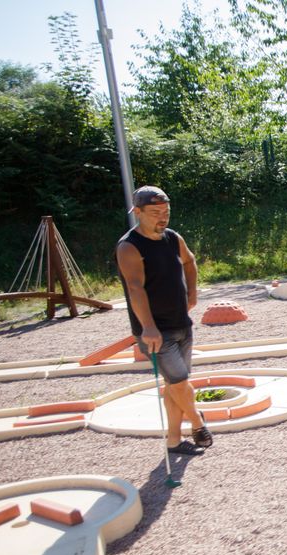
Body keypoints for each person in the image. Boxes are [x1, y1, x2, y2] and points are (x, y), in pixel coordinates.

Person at [116, 185, 213, 458]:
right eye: (155, 212)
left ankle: (173, 441)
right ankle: (198, 423)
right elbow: (135, 288)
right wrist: (147, 327)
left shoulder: (172, 238)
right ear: (138, 212)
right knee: (180, 383)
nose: (162, 217)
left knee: (174, 387)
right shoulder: (129, 247)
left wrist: (192, 293)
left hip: (182, 323)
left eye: (166, 212)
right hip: (156, 332)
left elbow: (189, 261)